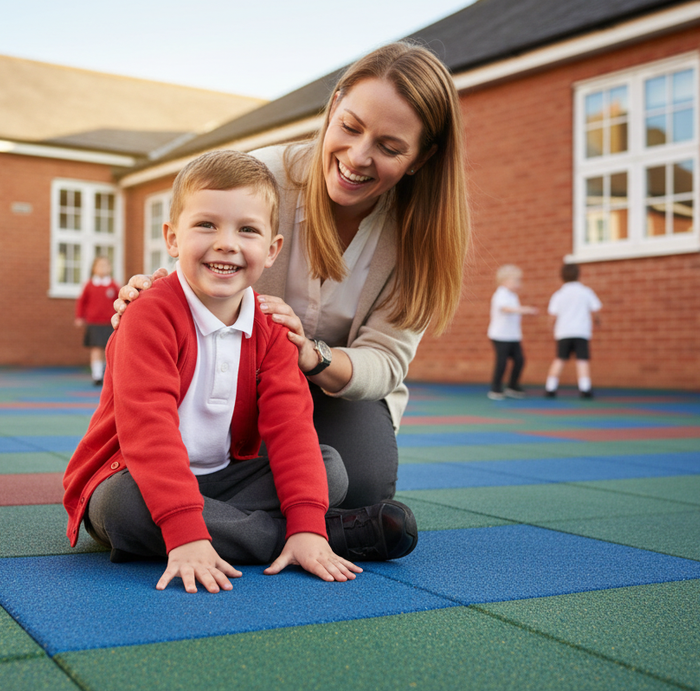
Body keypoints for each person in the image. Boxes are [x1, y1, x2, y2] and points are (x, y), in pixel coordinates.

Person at [114, 42, 469, 509]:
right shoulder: (262, 179)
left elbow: (384, 362)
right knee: (204, 476)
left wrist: (311, 356)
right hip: (239, 375)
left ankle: (235, 519)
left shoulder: (422, 236)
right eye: (350, 127)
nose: (358, 157)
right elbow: (201, 253)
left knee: (358, 486)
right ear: (335, 105)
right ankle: (292, 528)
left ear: (421, 158)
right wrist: (150, 293)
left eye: (389, 147)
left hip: (337, 390)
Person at [63, 150, 417, 595]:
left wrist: (306, 520)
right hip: (134, 474)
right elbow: (148, 432)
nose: (226, 243)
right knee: (122, 509)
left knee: (329, 469)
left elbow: (290, 428)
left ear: (272, 250)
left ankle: (299, 532)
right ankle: (318, 535)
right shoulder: (149, 316)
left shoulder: (272, 327)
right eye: (206, 225)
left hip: (225, 480)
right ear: (172, 238)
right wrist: (185, 532)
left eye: (246, 230)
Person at [545, 263, 602, 399]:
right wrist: (597, 321)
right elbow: (595, 310)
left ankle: (550, 387)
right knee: (582, 360)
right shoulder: (586, 292)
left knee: (560, 359)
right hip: (581, 332)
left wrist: (550, 326)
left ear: (562, 276)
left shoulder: (559, 294)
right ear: (578, 275)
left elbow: (552, 315)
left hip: (563, 332)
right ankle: (585, 388)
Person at [487, 264, 538, 400]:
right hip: (500, 335)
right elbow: (505, 309)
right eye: (516, 281)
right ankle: (495, 388)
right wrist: (525, 310)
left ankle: (512, 386)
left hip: (513, 335)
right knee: (502, 362)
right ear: (504, 281)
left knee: (519, 360)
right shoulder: (500, 294)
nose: (518, 284)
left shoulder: (513, 296)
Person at [74, 257, 120, 385]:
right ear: (94, 269)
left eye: (105, 265)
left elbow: (120, 302)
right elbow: (81, 302)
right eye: (100, 265)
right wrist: (79, 317)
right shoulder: (89, 285)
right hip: (94, 322)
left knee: (109, 349)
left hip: (110, 323)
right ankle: (97, 375)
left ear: (110, 268)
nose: (103, 268)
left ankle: (107, 375)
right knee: (96, 349)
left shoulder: (114, 285)